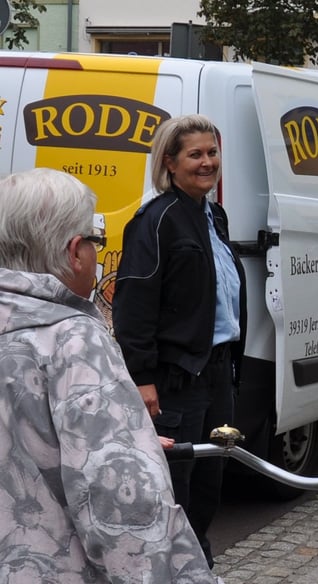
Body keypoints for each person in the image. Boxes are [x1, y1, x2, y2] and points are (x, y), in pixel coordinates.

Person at [0, 168, 217, 582]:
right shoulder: (72, 340)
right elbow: (125, 512)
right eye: (96, 242)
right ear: (75, 251)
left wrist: (106, 429)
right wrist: (117, 444)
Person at [112, 113, 246, 569]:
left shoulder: (214, 215)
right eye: (196, 154)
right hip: (175, 380)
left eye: (212, 153)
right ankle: (174, 572)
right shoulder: (157, 219)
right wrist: (143, 378)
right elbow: (133, 305)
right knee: (176, 493)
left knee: (210, 488)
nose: (207, 162)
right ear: (170, 163)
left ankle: (199, 570)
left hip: (216, 373)